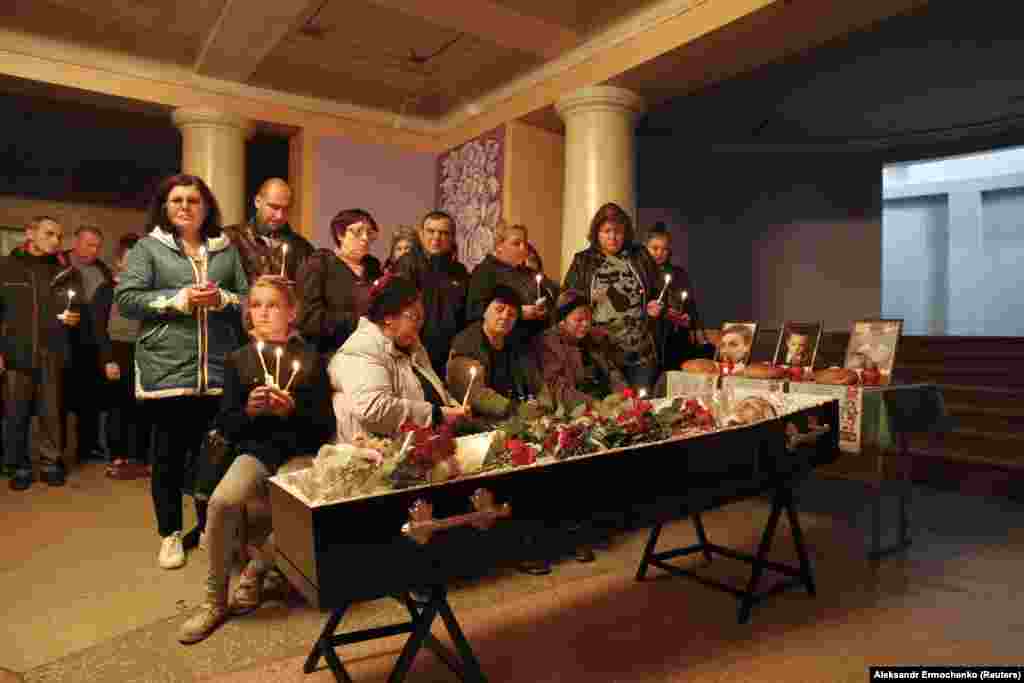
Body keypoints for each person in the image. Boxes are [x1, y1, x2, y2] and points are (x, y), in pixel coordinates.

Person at [179, 276, 332, 644]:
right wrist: (248, 410)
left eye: (273, 304)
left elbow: (323, 427)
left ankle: (256, 567)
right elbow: (226, 425)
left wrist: (292, 410)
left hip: (299, 452)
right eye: (257, 304)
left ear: (291, 312)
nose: (263, 312)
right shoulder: (239, 359)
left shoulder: (310, 361)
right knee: (222, 502)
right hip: (256, 451)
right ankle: (214, 602)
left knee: (304, 511)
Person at [115, 174, 249, 570]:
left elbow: (246, 297)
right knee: (169, 458)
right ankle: (170, 533)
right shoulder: (147, 249)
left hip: (219, 370)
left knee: (214, 456)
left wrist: (222, 297)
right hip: (168, 369)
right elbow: (127, 299)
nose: (185, 206)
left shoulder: (227, 251)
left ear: (206, 207)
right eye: (177, 200)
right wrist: (178, 298)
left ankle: (210, 528)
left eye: (194, 200)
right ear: (165, 206)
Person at [330, 274, 466, 444]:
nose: (418, 326)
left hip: (425, 442)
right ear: (388, 317)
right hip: (381, 453)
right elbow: (373, 408)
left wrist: (455, 409)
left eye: (421, 319)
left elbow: (435, 389)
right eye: (413, 317)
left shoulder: (411, 345)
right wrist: (436, 414)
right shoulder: (362, 349)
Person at [1, 216, 83, 490]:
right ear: (30, 233)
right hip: (17, 351)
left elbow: (77, 307)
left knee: (51, 413)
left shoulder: (66, 271)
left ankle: (50, 463)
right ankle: (19, 466)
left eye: (59, 236)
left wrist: (75, 318)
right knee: (17, 413)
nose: (56, 241)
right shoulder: (6, 267)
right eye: (49, 234)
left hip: (53, 351)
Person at [563, 203, 663, 390]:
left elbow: (660, 291)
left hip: (640, 351)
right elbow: (568, 302)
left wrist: (656, 305)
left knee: (642, 409)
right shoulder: (583, 261)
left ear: (625, 233)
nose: (612, 237)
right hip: (600, 353)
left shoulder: (640, 256)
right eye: (606, 231)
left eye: (618, 231)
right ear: (597, 233)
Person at [94, 234, 152, 479]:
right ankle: (117, 456)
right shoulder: (106, 290)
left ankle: (138, 457)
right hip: (116, 352)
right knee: (117, 408)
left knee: (141, 407)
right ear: (119, 262)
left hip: (141, 352)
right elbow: (98, 327)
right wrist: (108, 359)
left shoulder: (145, 290)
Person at [448, 286, 544, 424]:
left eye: (511, 314)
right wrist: (515, 409)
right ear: (485, 311)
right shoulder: (466, 343)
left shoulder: (516, 342)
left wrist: (543, 405)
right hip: (478, 422)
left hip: (515, 417)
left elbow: (536, 381)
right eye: (499, 310)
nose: (505, 317)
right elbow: (475, 394)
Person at [64, 225, 117, 464]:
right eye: (89, 244)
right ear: (76, 242)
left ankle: (88, 448)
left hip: (92, 342)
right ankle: (58, 449)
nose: (94, 250)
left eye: (97, 246)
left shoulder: (103, 270)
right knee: (60, 398)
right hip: (63, 339)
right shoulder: (58, 263)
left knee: (90, 399)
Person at [296, 208, 382, 356]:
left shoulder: (373, 268)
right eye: (358, 232)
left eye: (370, 233)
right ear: (340, 234)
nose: (365, 238)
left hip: (371, 350)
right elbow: (309, 319)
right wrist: (357, 321)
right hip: (329, 352)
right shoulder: (320, 264)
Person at [394, 211, 469, 377]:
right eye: (431, 231)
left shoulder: (459, 271)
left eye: (443, 233)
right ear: (421, 234)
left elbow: (464, 313)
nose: (436, 237)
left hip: (450, 353)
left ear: (452, 238)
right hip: (414, 350)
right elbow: (398, 311)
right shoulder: (407, 264)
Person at [466, 222, 553, 346]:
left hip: (532, 345)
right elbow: (475, 311)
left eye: (525, 244)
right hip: (501, 346)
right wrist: (519, 313)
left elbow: (547, 302)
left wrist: (543, 309)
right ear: (499, 246)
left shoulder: (528, 273)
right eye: (516, 243)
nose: (524, 248)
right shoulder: (485, 272)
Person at [540, 290, 628, 411]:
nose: (586, 324)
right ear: (562, 321)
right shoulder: (549, 343)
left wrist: (624, 394)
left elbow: (612, 371)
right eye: (579, 320)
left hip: (607, 403)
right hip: (578, 409)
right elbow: (557, 387)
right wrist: (594, 404)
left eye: (588, 319)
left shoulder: (594, 338)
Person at [222, 178, 314, 283]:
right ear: (257, 202)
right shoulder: (231, 238)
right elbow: (218, 290)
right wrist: (256, 288)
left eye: (286, 209)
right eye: (274, 207)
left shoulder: (302, 247)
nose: (280, 216)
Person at [644, 225, 705, 372]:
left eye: (665, 249)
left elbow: (689, 303)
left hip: (678, 334)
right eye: (655, 248)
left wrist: (694, 325)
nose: (660, 253)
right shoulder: (642, 274)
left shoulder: (678, 273)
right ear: (646, 248)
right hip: (654, 336)